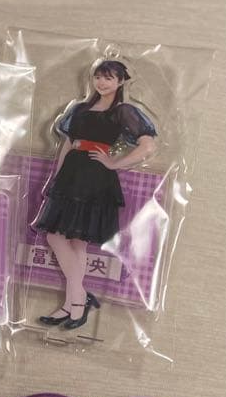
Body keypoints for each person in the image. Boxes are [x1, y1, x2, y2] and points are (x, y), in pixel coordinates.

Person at [34, 60, 157, 330]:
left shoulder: (123, 111)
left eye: (109, 78)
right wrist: (57, 176)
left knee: (68, 239)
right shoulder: (79, 109)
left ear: (121, 81)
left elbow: (147, 145)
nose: (102, 82)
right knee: (69, 241)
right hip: (71, 175)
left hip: (95, 177)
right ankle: (75, 301)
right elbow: (68, 143)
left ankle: (76, 301)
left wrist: (114, 163)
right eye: (98, 77)